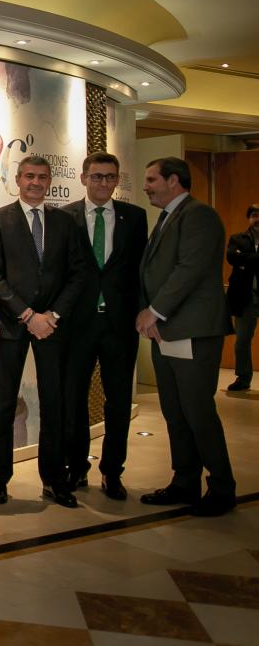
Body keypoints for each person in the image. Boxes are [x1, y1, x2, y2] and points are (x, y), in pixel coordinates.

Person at [0, 155, 86, 508]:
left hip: (53, 326)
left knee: (54, 403)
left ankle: (54, 479)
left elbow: (77, 273)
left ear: (49, 180)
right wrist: (28, 315)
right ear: (18, 179)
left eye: (42, 177)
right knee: (3, 402)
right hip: (13, 324)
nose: (36, 182)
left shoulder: (65, 221)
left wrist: (52, 315)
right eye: (29, 176)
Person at [137, 157, 236, 517]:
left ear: (174, 180)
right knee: (175, 412)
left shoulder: (199, 216)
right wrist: (151, 315)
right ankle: (185, 481)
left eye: (152, 180)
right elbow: (154, 272)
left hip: (192, 332)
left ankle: (222, 488)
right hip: (166, 333)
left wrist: (154, 311)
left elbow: (189, 269)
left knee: (197, 412)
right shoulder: (167, 218)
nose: (146, 186)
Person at [60, 153, 147, 500]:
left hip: (119, 325)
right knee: (73, 400)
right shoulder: (64, 217)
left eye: (110, 177)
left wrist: (143, 310)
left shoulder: (135, 217)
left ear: (117, 180)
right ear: (83, 178)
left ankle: (112, 471)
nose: (104, 183)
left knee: (118, 402)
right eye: (97, 176)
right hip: (76, 325)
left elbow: (142, 270)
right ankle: (76, 466)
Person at [225, 204, 259, 392]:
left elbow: (240, 259)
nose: (258, 219)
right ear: (249, 218)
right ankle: (243, 378)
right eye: (254, 215)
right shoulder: (237, 238)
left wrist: (245, 258)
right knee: (242, 341)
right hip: (246, 297)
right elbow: (232, 257)